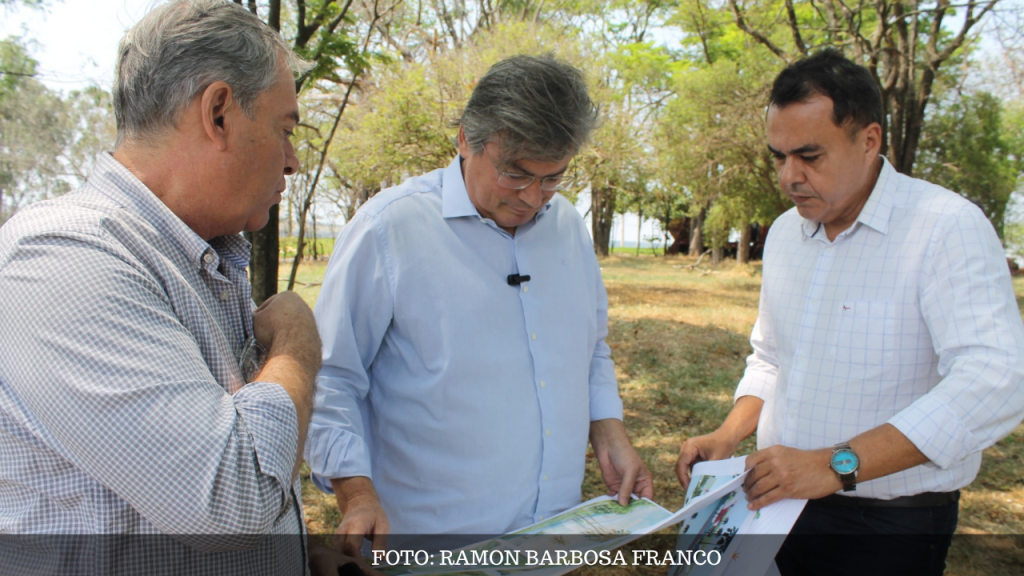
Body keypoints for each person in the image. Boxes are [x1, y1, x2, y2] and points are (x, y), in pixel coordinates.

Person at [0, 1, 363, 574]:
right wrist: (296, 342)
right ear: (218, 113)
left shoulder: (192, 258)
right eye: (285, 129)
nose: (293, 161)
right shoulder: (64, 260)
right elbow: (232, 504)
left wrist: (299, 555)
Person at [675, 49, 1024, 576]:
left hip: (886, 525)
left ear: (869, 140)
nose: (789, 176)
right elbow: (772, 356)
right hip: (775, 506)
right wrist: (729, 434)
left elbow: (996, 379)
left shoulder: (944, 226)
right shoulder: (788, 233)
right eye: (778, 156)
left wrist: (837, 465)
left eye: (810, 156)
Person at [306, 54, 654, 555]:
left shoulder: (568, 226)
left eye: (553, 177)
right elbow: (332, 377)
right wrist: (356, 494)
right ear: (467, 137)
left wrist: (609, 432)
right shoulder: (390, 228)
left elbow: (590, 346)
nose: (534, 197)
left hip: (552, 538)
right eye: (516, 174)